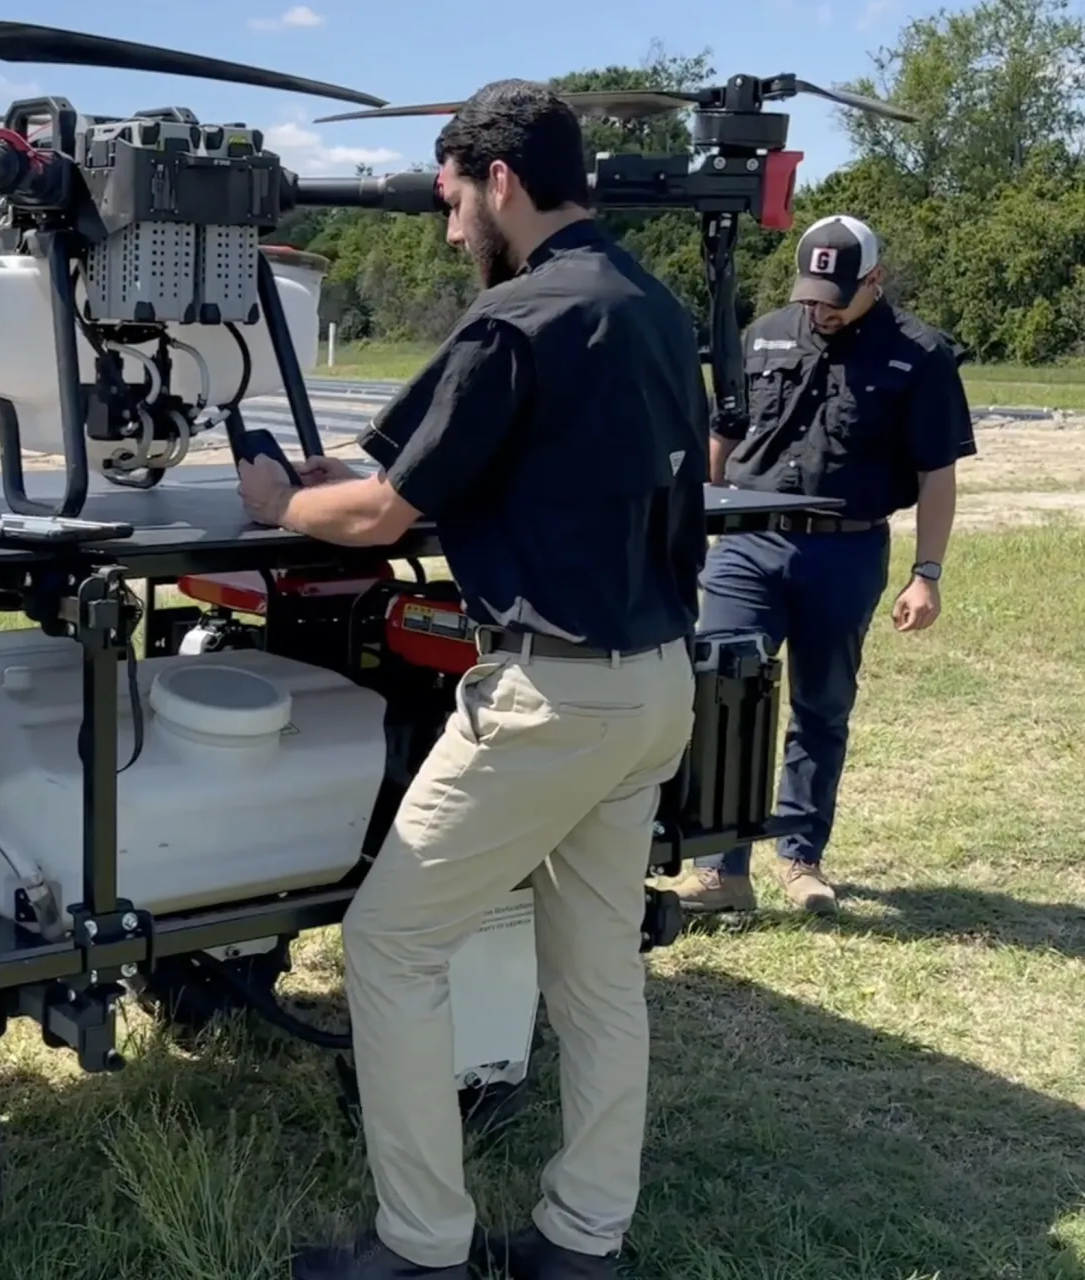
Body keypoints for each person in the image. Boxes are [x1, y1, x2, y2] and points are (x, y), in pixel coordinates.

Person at [237, 79, 707, 1280]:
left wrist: (284, 499)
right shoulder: (651, 305)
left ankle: (421, 1246)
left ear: (499, 181)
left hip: (552, 698)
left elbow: (385, 504)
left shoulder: (515, 320)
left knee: (391, 944)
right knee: (598, 976)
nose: (452, 232)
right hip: (655, 679)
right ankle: (583, 1239)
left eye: (455, 204)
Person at [662, 214, 975, 918]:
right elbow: (727, 433)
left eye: (837, 295)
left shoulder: (919, 355)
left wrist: (928, 571)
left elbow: (936, 473)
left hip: (847, 547)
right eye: (811, 293)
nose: (820, 308)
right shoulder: (764, 333)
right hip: (747, 544)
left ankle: (801, 855)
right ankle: (721, 870)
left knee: (822, 706)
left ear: (876, 280)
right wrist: (694, 527)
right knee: (721, 695)